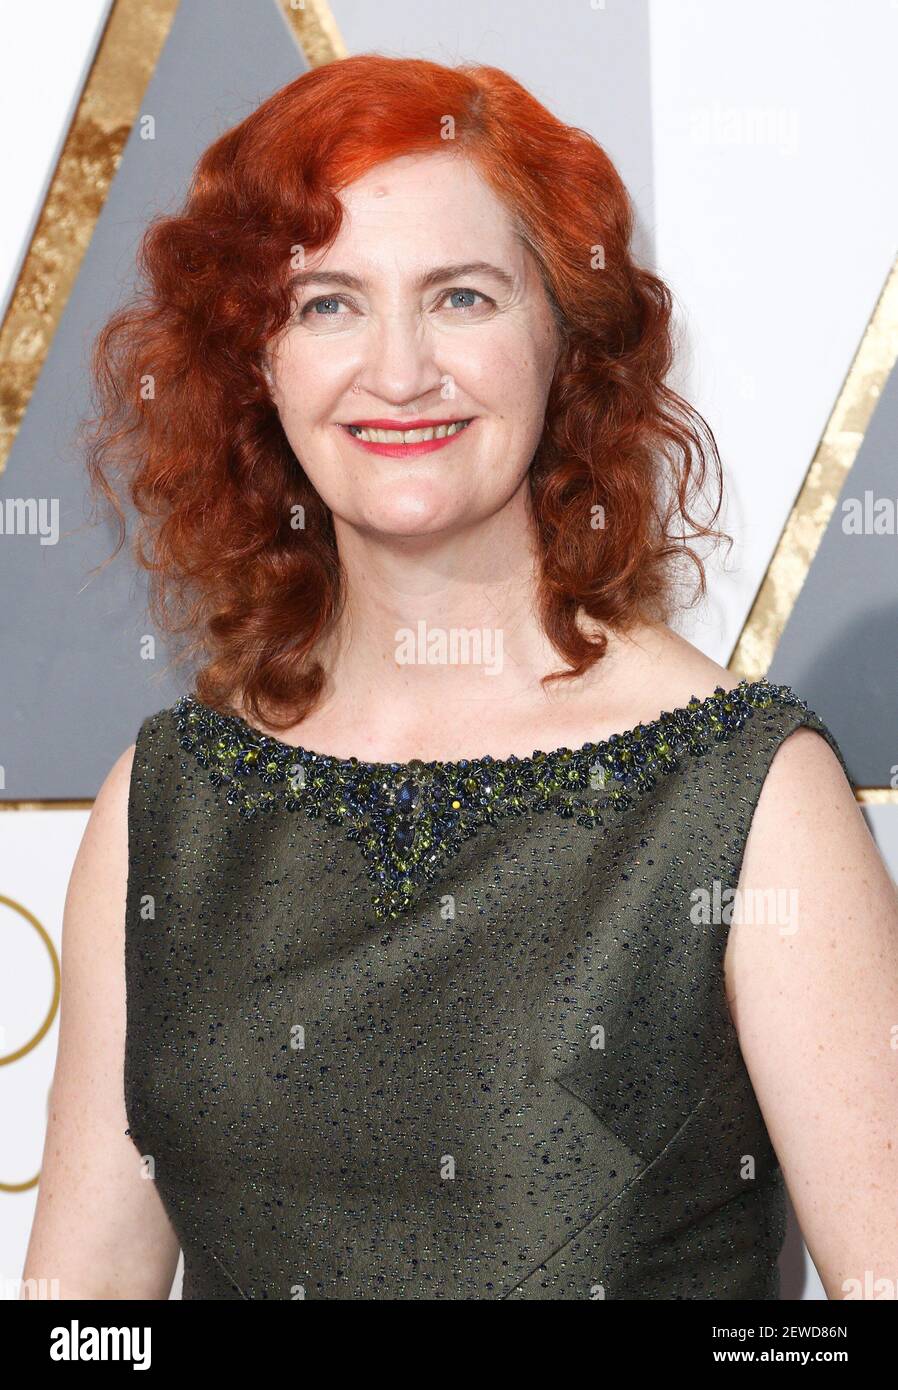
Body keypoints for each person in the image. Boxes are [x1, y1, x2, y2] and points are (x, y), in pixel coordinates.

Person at [22, 55, 898, 1300]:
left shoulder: (748, 802)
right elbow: (81, 1317)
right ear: (256, 362)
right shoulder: (165, 811)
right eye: (328, 302)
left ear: (564, 338)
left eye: (462, 298)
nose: (397, 371)